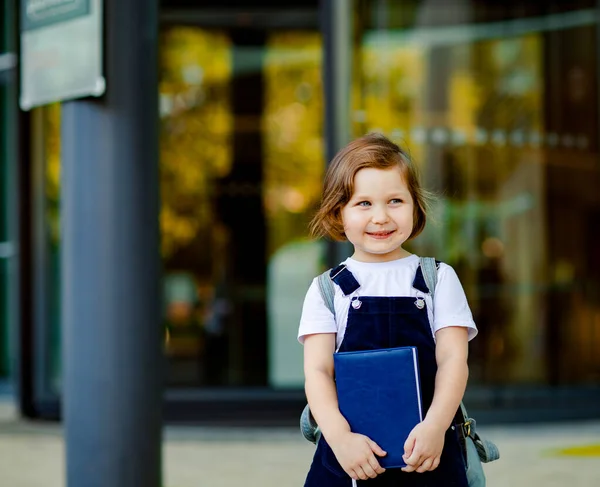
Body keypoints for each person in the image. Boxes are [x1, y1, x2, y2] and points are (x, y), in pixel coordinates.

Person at [298, 133, 478, 486]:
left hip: (428, 452)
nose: (381, 217)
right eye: (363, 204)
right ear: (339, 212)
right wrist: (340, 440)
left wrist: (436, 427)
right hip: (350, 456)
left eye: (395, 200)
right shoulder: (328, 289)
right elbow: (317, 372)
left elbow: (454, 361)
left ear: (416, 206)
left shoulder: (437, 279)